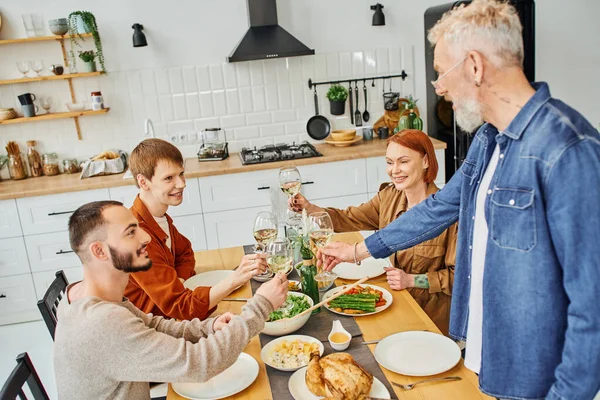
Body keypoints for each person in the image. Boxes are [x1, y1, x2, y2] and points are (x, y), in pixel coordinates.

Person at [317, 1, 600, 399]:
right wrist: (360, 250)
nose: (438, 87)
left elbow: (594, 308)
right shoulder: (487, 140)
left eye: (440, 72)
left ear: (473, 65)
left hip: (534, 375)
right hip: (486, 356)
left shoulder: (567, 150)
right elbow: (437, 209)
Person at [54, 200, 288, 400]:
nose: (145, 237)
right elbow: (200, 364)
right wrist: (261, 306)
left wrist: (207, 328)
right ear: (99, 251)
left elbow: (151, 325)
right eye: (131, 232)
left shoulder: (81, 293)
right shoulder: (102, 324)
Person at [289, 129, 457, 335]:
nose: (394, 170)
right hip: (394, 300)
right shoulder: (389, 196)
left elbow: (458, 278)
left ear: (425, 161)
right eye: (389, 162)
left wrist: (412, 279)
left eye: (403, 161)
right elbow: (349, 217)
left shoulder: (450, 215)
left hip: (429, 318)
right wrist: (311, 209)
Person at [124, 138, 268, 321]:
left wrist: (180, 282)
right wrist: (235, 279)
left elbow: (185, 253)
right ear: (144, 182)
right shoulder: (138, 236)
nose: (182, 183)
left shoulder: (158, 218)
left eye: (181, 174)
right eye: (169, 178)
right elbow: (181, 307)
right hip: (153, 329)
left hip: (173, 318)